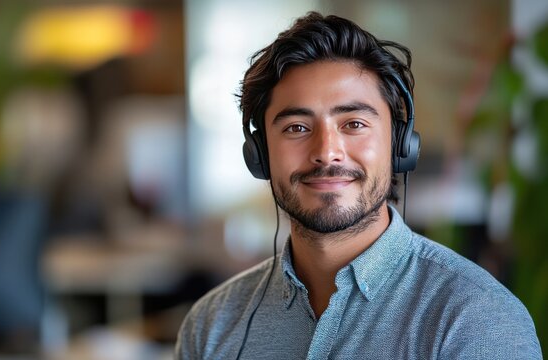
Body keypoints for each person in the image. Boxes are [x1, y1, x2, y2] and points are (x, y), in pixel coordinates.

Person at [175, 12, 542, 359]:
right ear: (259, 154)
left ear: (400, 146)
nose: (327, 152)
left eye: (353, 124)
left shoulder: (477, 320)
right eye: (297, 128)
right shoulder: (211, 325)